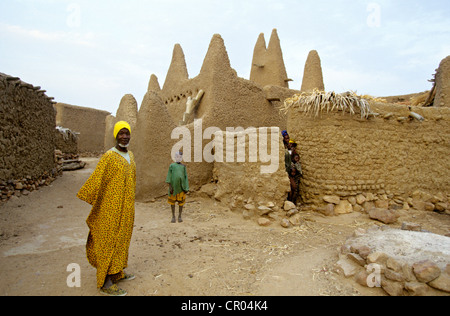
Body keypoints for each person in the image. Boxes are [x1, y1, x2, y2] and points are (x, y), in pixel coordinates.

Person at [77, 121, 136, 296]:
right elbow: (97, 178)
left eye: (127, 133)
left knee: (122, 240)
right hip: (110, 207)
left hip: (126, 208)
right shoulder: (109, 156)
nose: (124, 136)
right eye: (121, 133)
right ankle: (105, 282)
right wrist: (92, 198)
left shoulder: (131, 156)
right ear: (116, 135)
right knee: (108, 241)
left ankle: (117, 272)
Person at [166, 151, 189, 223]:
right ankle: (173, 216)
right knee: (172, 203)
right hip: (173, 188)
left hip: (181, 188)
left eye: (180, 157)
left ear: (182, 158)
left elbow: (185, 177)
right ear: (175, 157)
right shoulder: (172, 166)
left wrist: (186, 188)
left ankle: (179, 216)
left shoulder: (183, 167)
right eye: (177, 157)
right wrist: (170, 187)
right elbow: (169, 176)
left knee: (181, 203)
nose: (178, 158)